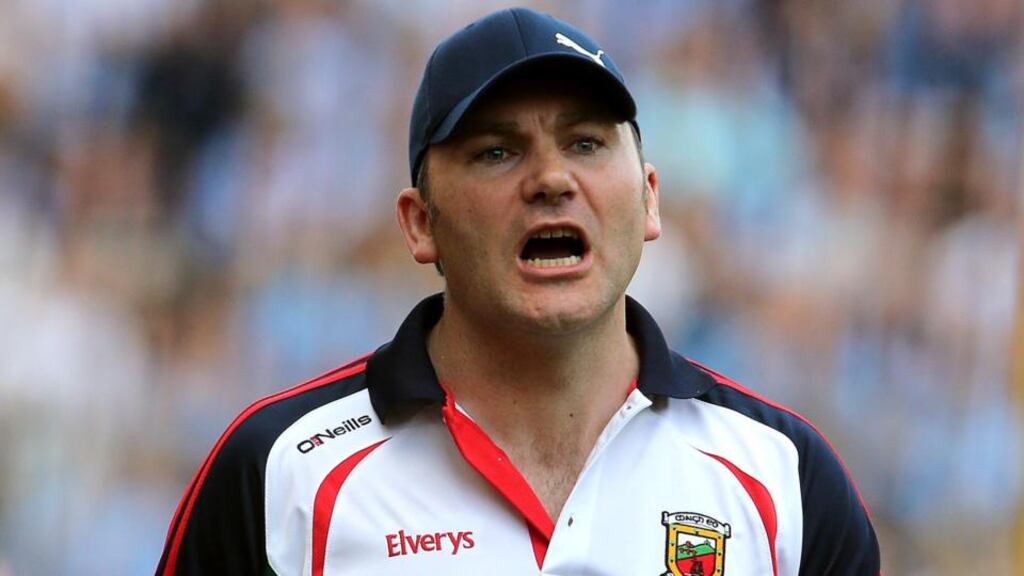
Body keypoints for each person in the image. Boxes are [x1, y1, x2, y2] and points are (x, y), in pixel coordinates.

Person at [156, 7, 880, 575]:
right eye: (497, 152)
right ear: (420, 224)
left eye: (587, 143)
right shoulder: (281, 470)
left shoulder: (784, 477)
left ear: (650, 200)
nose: (552, 179)